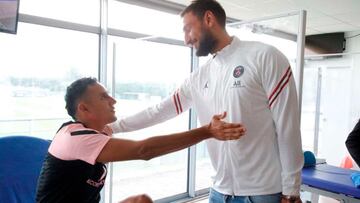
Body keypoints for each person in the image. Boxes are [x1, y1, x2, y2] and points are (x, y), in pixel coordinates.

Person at [109, 0, 304, 202]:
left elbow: (287, 126)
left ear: (209, 19)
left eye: (188, 29)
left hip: (263, 193)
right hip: (219, 193)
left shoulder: (265, 57)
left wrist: (291, 190)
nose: (186, 40)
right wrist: (112, 128)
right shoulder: (199, 77)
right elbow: (159, 110)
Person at [35, 77, 246, 203]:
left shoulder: (96, 131)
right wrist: (207, 131)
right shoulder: (75, 138)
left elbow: (137, 120)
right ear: (84, 109)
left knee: (141, 202)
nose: (113, 100)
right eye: (103, 97)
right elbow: (144, 150)